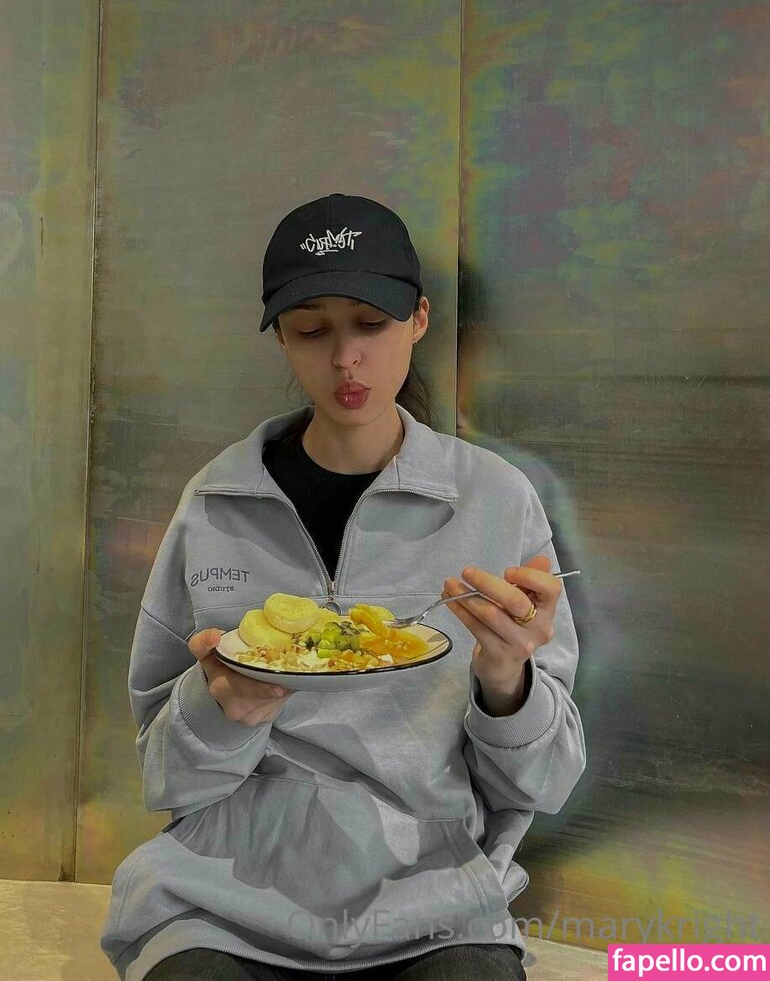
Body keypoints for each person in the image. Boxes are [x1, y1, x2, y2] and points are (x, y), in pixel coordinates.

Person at [100, 194, 586, 981]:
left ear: (419, 320)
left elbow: (548, 782)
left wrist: (509, 682)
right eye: (311, 330)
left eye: (370, 323)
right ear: (281, 339)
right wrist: (222, 709)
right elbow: (164, 776)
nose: (345, 359)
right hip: (223, 898)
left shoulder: (495, 500)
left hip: (433, 900)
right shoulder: (217, 501)